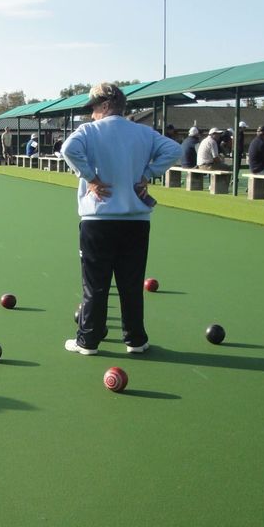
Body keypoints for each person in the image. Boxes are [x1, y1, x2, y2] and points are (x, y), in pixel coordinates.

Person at [60, 82, 181, 356]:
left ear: (105, 105)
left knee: (95, 285)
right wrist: (148, 174)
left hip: (98, 220)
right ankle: (135, 340)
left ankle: (88, 341)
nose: (91, 114)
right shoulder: (143, 132)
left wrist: (90, 178)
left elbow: (68, 149)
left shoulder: (89, 131)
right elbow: (174, 150)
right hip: (136, 221)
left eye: (93, 107)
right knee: (131, 283)